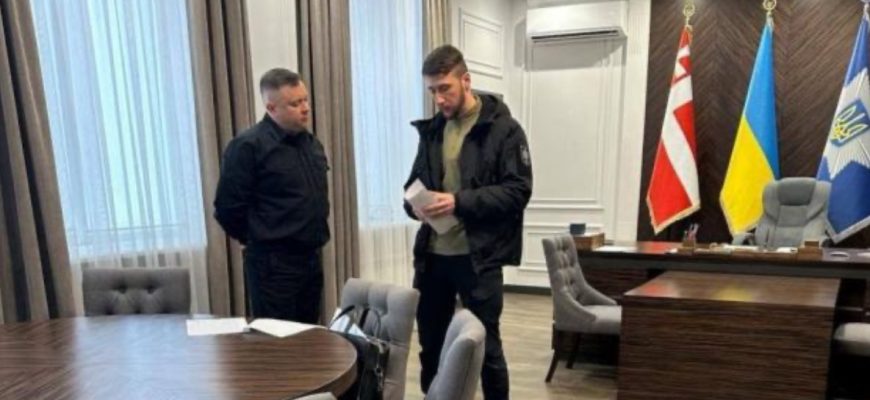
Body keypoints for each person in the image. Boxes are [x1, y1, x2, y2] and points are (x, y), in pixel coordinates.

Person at [404, 45, 533, 400]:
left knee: (487, 350)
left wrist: (458, 202)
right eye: (432, 91)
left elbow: (518, 191)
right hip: (432, 258)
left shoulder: (505, 130)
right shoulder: (432, 131)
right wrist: (414, 206)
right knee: (431, 347)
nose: (439, 99)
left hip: (479, 259)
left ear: (466, 80)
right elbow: (413, 183)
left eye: (444, 88)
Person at [214, 68, 329, 323]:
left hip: (311, 258)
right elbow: (227, 208)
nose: (305, 108)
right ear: (271, 108)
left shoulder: (311, 144)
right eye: (295, 104)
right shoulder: (247, 147)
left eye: (305, 100)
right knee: (277, 339)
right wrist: (258, 237)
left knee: (310, 335)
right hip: (273, 264)